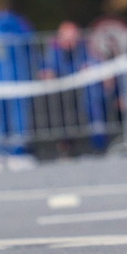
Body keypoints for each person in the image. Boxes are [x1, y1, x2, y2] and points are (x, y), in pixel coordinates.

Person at [0, 0, 37, 170]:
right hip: (18, 78)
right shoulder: (20, 24)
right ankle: (19, 153)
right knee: (18, 116)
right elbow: (31, 49)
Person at [37, 21, 109, 155]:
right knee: (60, 109)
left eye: (74, 38)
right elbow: (46, 69)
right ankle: (65, 145)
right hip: (63, 96)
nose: (71, 41)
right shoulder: (53, 50)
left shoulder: (84, 48)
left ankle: (99, 143)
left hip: (83, 93)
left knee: (93, 100)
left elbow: (95, 63)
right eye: (68, 38)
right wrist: (47, 73)